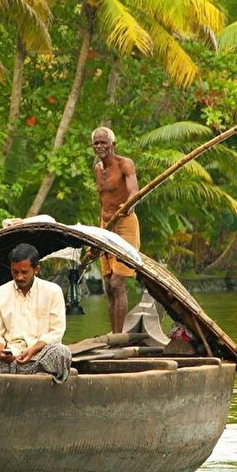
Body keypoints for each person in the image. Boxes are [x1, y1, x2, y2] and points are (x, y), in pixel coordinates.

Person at [0, 243, 73, 384]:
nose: (19, 277)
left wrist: (32, 350)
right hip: (10, 360)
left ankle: (37, 380)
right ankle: (32, 379)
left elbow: (56, 332)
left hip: (40, 356)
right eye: (15, 272)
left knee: (62, 353)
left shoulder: (53, 292)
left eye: (24, 272)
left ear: (36, 269)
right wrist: (1, 352)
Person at [92, 125, 140, 334]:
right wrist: (98, 230)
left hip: (125, 224)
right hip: (105, 228)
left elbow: (134, 192)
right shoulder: (97, 169)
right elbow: (103, 202)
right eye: (96, 143)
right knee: (107, 285)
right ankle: (114, 335)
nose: (100, 146)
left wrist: (127, 206)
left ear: (113, 145)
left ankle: (119, 337)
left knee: (118, 283)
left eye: (104, 142)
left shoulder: (124, 164)